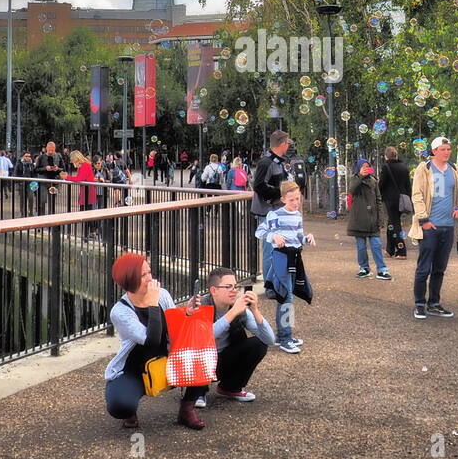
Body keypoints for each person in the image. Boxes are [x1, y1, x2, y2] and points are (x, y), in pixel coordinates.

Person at [103, 253, 206, 430]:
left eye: (149, 272)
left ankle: (187, 408)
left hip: (166, 360)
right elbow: (150, 340)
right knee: (119, 405)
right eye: (143, 275)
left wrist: (187, 313)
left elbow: (175, 329)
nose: (150, 278)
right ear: (129, 280)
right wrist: (152, 305)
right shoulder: (120, 311)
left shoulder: (162, 295)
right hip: (134, 369)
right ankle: (129, 410)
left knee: (203, 356)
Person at [192, 267, 276, 407]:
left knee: (258, 344)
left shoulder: (239, 309)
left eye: (236, 286)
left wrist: (255, 310)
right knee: (200, 350)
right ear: (214, 290)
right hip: (201, 362)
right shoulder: (201, 306)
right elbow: (204, 337)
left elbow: (270, 339)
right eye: (228, 286)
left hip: (224, 361)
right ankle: (197, 391)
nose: (234, 290)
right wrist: (233, 313)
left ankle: (230, 387)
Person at [408, 136, 458, 319]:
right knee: (424, 267)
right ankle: (419, 303)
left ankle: (434, 303)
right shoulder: (424, 169)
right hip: (430, 226)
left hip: (448, 226)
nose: (447, 152)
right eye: (443, 149)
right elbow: (416, 195)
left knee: (440, 268)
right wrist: (423, 220)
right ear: (434, 151)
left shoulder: (454, 170)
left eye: (449, 149)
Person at [255, 179, 315, 353]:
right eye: (291, 200)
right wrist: (273, 237)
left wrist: (307, 238)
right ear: (282, 199)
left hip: (295, 258)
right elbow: (260, 231)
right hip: (281, 258)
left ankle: (286, 335)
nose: (296, 203)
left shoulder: (297, 215)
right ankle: (284, 338)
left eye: (298, 199)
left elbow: (298, 237)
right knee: (285, 297)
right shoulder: (275, 215)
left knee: (291, 295)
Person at [252, 132, 293, 284]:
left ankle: (276, 281)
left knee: (278, 247)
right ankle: (270, 285)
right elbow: (259, 186)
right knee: (270, 249)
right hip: (269, 211)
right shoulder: (266, 162)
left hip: (276, 209)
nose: (288, 146)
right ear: (282, 144)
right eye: (287, 143)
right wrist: (280, 194)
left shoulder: (278, 162)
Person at [347, 158, 391, 279]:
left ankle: (382, 270)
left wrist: (381, 218)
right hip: (359, 220)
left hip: (373, 219)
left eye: (368, 166)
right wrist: (360, 176)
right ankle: (364, 268)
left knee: (376, 245)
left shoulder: (373, 181)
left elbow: (378, 200)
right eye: (363, 166)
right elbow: (351, 190)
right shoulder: (354, 179)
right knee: (361, 247)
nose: (366, 168)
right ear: (359, 168)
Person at [378, 146, 411, 260]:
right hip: (402, 199)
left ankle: (402, 251)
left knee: (395, 224)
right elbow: (408, 185)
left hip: (391, 200)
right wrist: (408, 198)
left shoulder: (386, 166)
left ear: (386, 156)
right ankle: (390, 250)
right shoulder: (404, 167)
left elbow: (381, 184)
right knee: (391, 224)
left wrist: (378, 195)